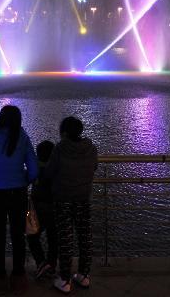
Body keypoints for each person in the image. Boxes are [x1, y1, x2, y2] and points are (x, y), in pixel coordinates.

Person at [0, 105, 39, 295]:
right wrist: (24, 180)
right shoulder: (23, 138)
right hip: (18, 192)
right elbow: (34, 170)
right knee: (18, 236)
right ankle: (18, 274)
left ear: (0, 119)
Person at [47, 116, 98, 294]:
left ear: (65, 133)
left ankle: (65, 279)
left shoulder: (60, 149)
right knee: (85, 236)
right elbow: (94, 167)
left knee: (65, 239)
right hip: (83, 198)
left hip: (63, 199)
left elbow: (50, 171)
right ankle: (84, 275)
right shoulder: (91, 148)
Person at [27, 140, 57, 280]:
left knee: (32, 236)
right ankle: (51, 266)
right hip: (54, 206)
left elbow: (26, 179)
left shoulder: (35, 169)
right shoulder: (57, 169)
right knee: (53, 238)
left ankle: (41, 262)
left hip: (36, 208)